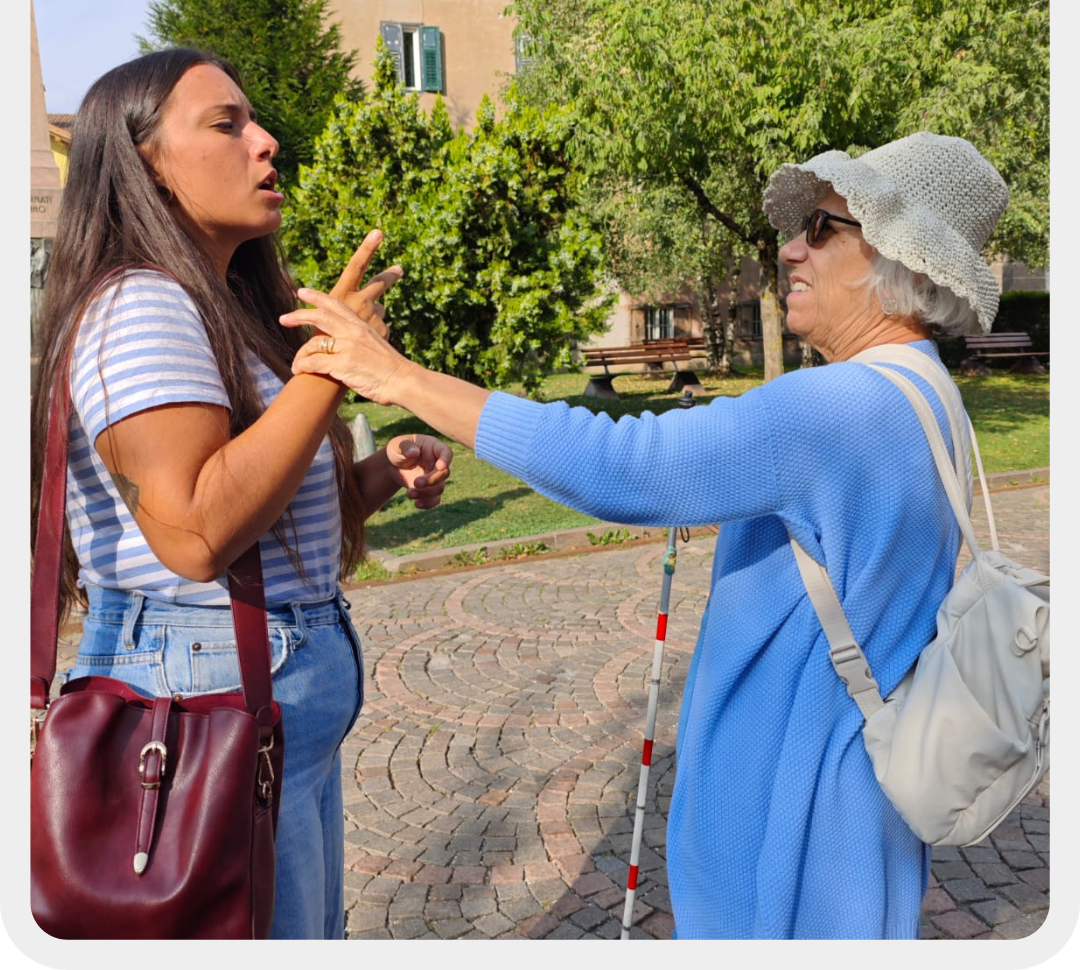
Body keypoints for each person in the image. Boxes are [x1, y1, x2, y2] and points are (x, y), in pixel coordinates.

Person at [278, 131, 1010, 939]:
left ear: (900, 268)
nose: (791, 249)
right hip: (866, 805)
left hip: (790, 816)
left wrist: (398, 377)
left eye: (824, 229)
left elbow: (623, 463)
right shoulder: (925, 391)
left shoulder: (836, 407)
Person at [28, 48, 453, 940]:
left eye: (255, 122)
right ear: (145, 159)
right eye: (227, 125)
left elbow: (264, 519)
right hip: (203, 693)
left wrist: (375, 476)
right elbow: (194, 533)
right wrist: (329, 370)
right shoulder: (141, 304)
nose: (266, 143)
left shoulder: (215, 305)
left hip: (252, 693)